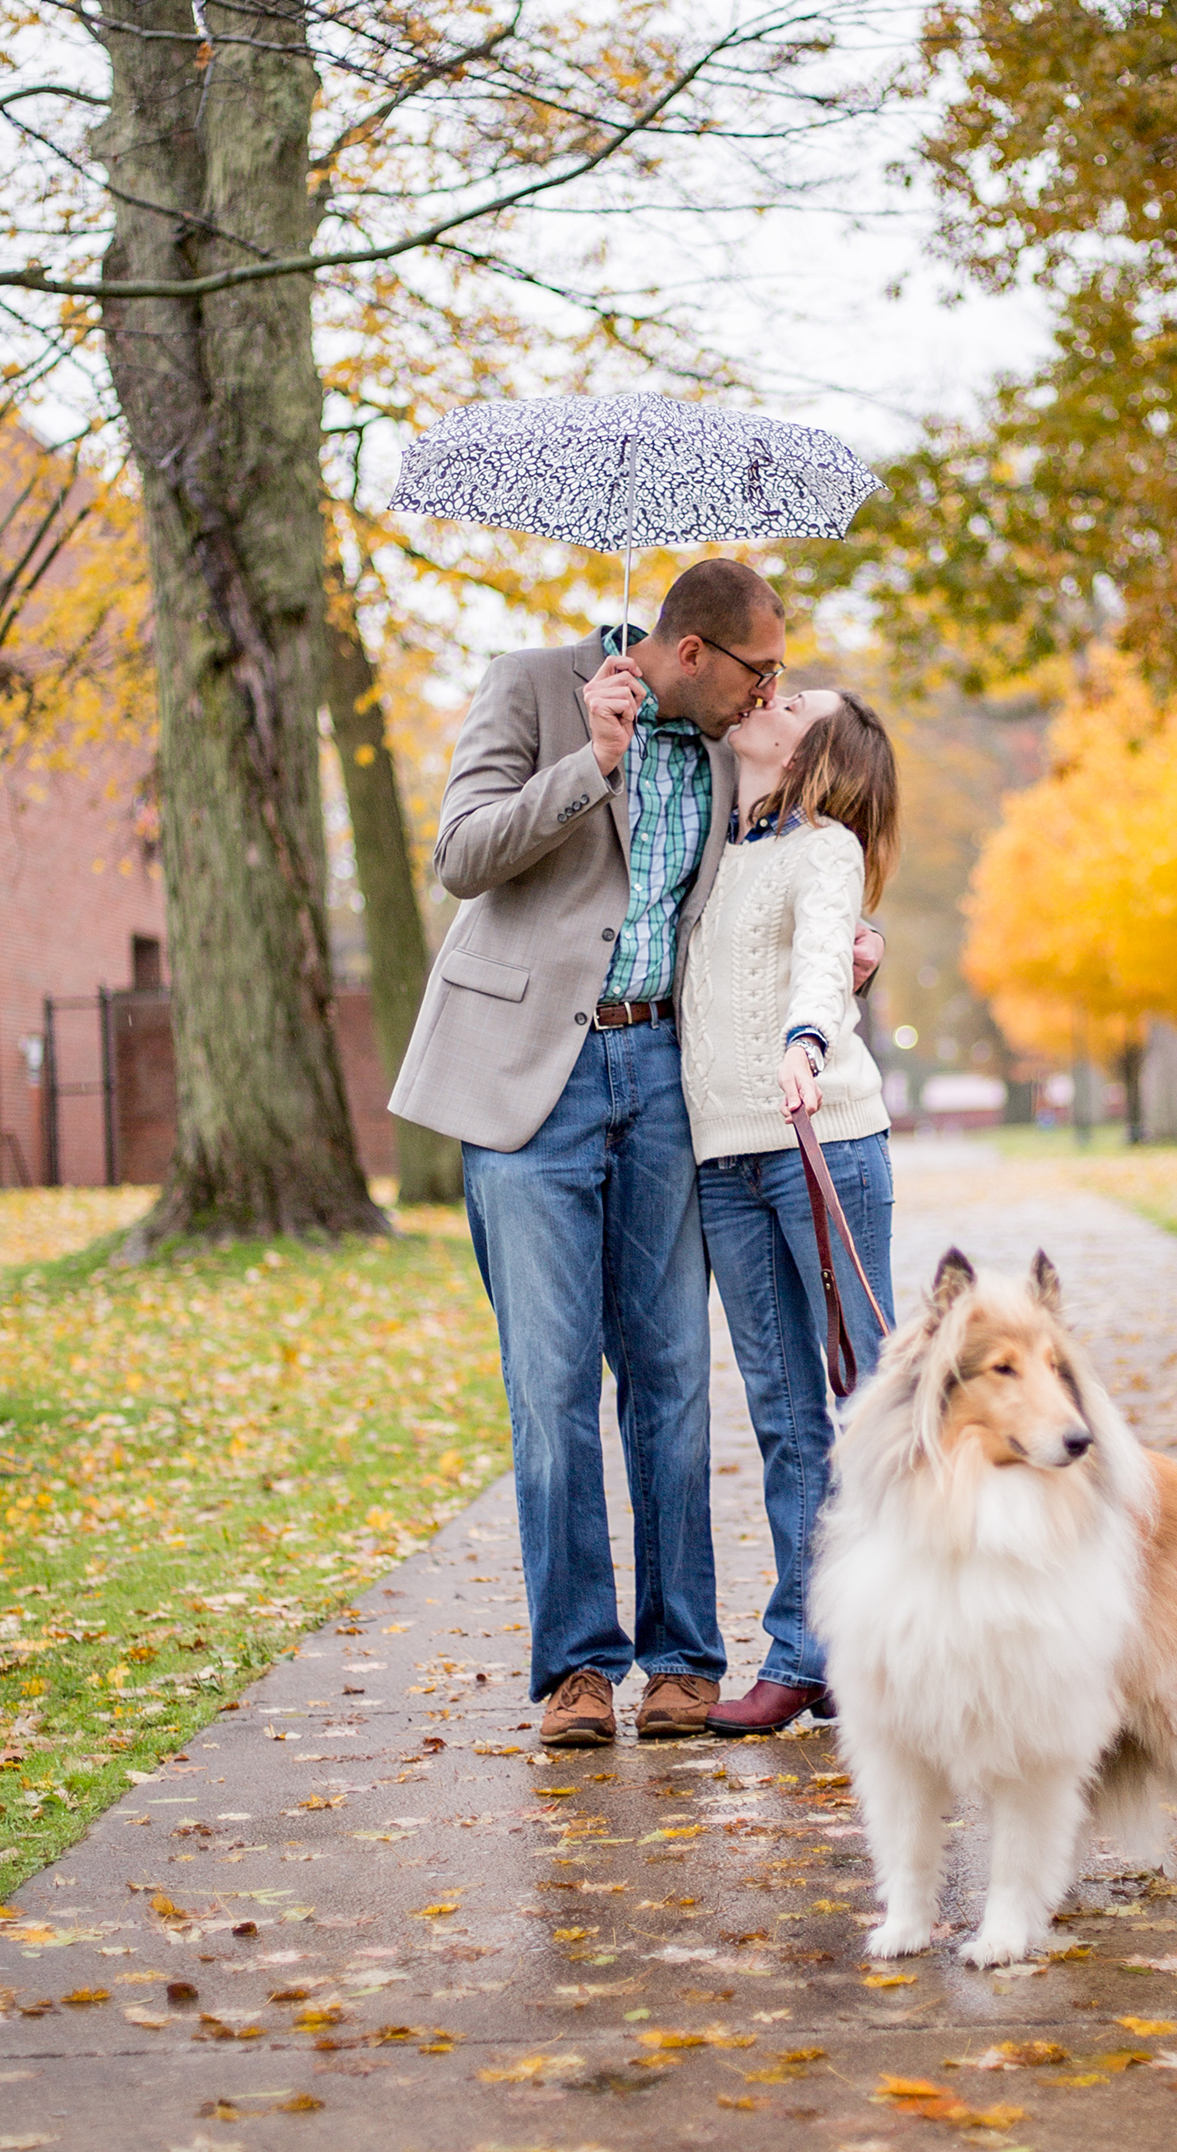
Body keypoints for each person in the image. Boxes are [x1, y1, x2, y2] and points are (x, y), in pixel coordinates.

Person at [387, 560, 879, 1749]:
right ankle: (574, 1668)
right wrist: (588, 765)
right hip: (529, 1088)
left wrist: (842, 968)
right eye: (759, 670)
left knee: (667, 1381)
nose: (772, 694)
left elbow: (765, 903)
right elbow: (458, 856)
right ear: (695, 652)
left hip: (662, 1077)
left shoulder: (725, 751)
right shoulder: (530, 689)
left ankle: (678, 1659)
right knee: (550, 1388)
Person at [680, 686, 900, 1735]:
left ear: (816, 751)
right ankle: (810, 1651)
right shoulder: (711, 846)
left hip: (823, 1139)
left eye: (794, 697)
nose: (770, 694)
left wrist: (807, 1040)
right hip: (723, 1154)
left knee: (869, 1402)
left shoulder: (825, 848)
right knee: (781, 1417)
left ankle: (865, 1646)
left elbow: (823, 954)